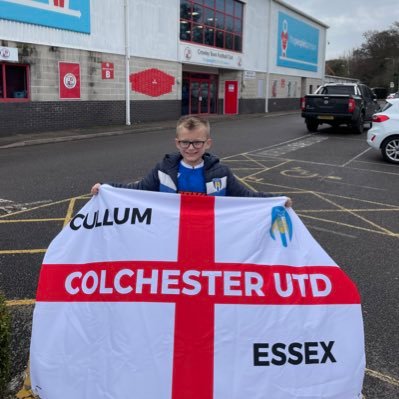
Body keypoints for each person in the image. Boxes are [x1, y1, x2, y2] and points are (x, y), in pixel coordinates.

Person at [91, 115, 292, 207]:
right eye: (185, 143)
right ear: (177, 143)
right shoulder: (163, 170)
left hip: (209, 236)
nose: (191, 148)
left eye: (197, 142)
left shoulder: (220, 172)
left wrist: (277, 199)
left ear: (208, 144)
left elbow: (246, 196)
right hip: (170, 234)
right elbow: (137, 190)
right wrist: (106, 187)